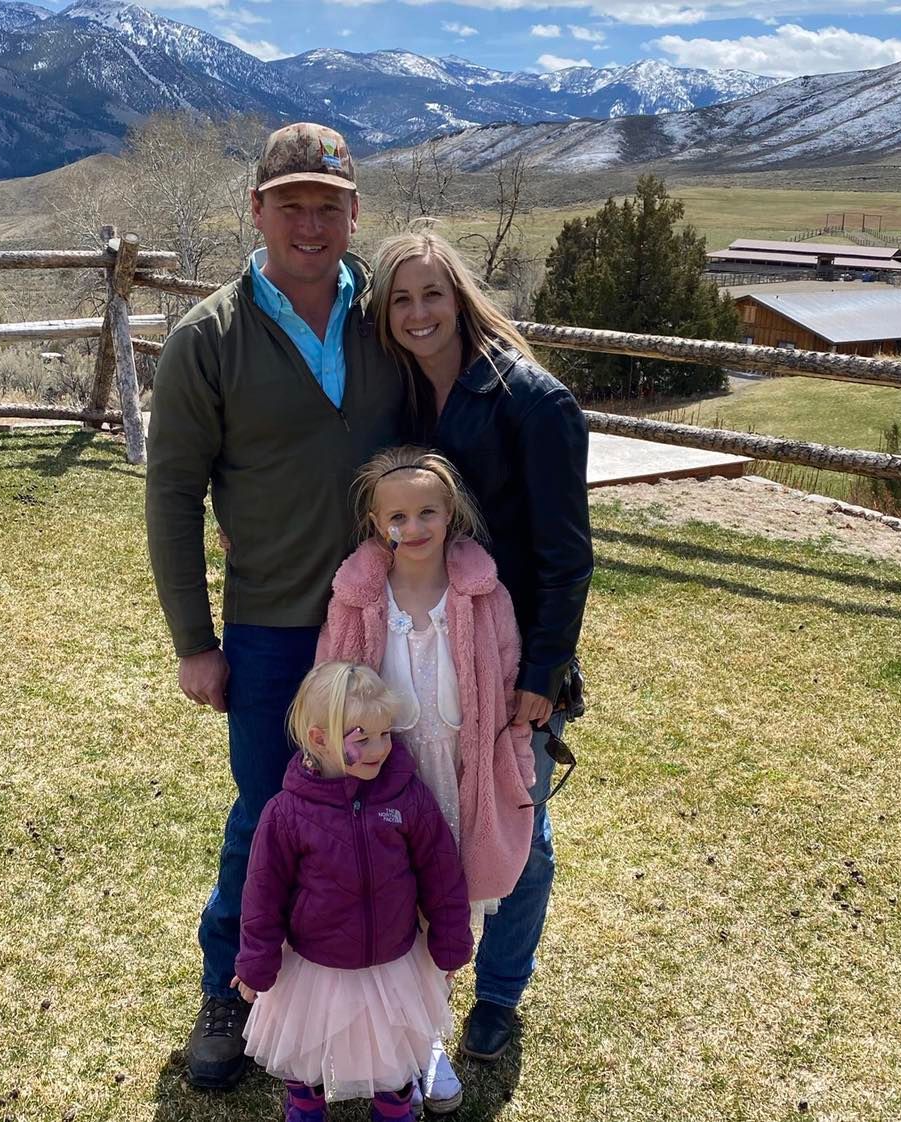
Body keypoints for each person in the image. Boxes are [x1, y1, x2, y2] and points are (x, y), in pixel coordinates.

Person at [145, 123, 407, 1090]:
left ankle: (381, 994)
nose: (309, 223)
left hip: (388, 620)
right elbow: (174, 494)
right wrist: (194, 641)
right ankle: (230, 987)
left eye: (327, 206)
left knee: (393, 801)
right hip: (272, 625)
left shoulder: (389, 318)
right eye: (290, 204)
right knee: (271, 812)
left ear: (354, 214)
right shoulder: (208, 339)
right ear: (255, 211)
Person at [369, 232, 594, 1064]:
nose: (418, 313)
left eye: (432, 293)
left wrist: (543, 672)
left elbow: (567, 556)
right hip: (423, 642)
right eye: (400, 299)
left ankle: (499, 993)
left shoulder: (531, 400)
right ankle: (416, 976)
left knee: (517, 828)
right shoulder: (400, 396)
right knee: (426, 810)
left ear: (459, 298)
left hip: (510, 656)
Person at [316, 446, 538, 1113]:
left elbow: (507, 687)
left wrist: (515, 768)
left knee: (445, 915)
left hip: (462, 782)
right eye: (397, 517)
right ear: (374, 523)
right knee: (393, 912)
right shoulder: (358, 598)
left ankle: (430, 1040)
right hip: (388, 786)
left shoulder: (484, 596)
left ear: (451, 515)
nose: (412, 528)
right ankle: (394, 1044)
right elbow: (330, 682)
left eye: (427, 513)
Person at [233, 661, 473, 1122]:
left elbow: (441, 874)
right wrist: (256, 962)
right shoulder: (286, 814)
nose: (379, 749)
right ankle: (305, 1106)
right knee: (306, 1044)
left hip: (394, 961)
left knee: (395, 1043)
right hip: (314, 964)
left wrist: (450, 942)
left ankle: (394, 1109)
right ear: (319, 738)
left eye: (385, 735)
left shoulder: (408, 797)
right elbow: (262, 894)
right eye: (362, 739)